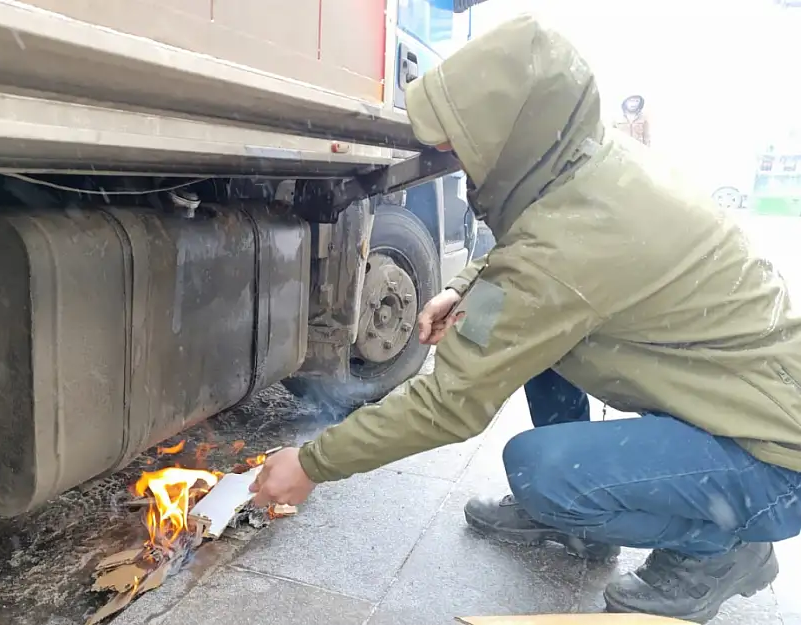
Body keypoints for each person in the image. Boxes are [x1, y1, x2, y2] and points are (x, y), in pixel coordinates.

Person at [250, 14, 801, 623]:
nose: (447, 155)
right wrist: (462, 287)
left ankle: (720, 548)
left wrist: (311, 463)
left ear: (509, 136)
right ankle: (587, 527)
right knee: (540, 345)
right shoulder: (586, 162)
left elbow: (451, 403)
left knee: (541, 470)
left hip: (772, 455)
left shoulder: (568, 247)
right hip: (742, 399)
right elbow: (532, 257)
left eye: (458, 141)